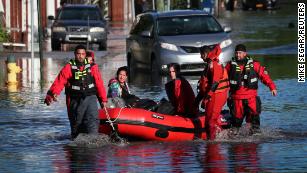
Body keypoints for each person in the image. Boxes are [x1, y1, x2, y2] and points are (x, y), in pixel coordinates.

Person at [44, 44, 107, 139]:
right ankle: (76, 141)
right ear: (75, 54)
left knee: (93, 119)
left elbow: (99, 84)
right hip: (75, 100)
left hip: (90, 97)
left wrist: (103, 100)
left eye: (82, 54)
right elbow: (59, 82)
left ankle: (93, 141)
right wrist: (53, 94)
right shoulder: (68, 68)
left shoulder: (92, 67)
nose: (80, 56)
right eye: (78, 54)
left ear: (85, 55)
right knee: (77, 123)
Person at [225, 44, 277, 134]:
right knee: (235, 125)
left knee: (255, 124)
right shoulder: (229, 65)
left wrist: (272, 87)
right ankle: (235, 144)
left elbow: (264, 76)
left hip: (251, 99)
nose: (238, 55)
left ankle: (255, 140)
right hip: (237, 99)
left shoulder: (254, 64)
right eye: (236, 53)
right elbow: (222, 79)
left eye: (240, 53)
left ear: (245, 53)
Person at [195, 44, 229, 140]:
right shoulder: (210, 64)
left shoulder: (213, 64)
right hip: (213, 95)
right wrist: (198, 100)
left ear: (205, 54)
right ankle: (216, 137)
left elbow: (215, 82)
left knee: (211, 121)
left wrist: (207, 97)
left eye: (201, 54)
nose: (200, 57)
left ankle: (213, 142)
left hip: (216, 95)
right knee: (208, 121)